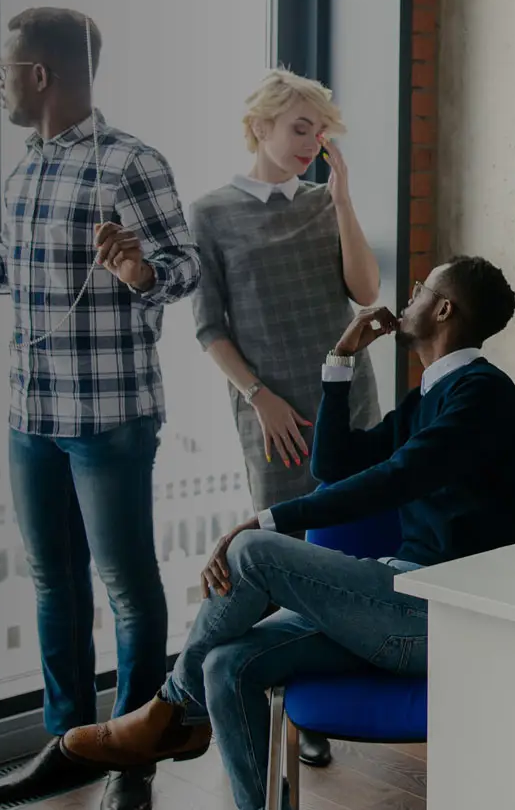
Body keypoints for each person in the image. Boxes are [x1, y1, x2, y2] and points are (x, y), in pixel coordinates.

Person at [0, 8, 201, 810]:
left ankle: (133, 757)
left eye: (3, 67)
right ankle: (67, 747)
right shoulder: (26, 172)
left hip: (112, 418)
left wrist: (142, 272)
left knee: (126, 587)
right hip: (33, 417)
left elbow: (186, 266)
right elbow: (12, 269)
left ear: (41, 74)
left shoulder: (132, 163)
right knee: (54, 583)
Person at [56, 257, 515, 810]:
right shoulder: (428, 398)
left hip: (449, 618)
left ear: (444, 309)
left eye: (423, 288)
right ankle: (217, 762)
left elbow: (399, 477)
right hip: (397, 599)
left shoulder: (483, 395)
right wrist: (340, 359)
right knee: (225, 666)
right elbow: (334, 463)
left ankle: (168, 710)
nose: (412, 294)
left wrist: (265, 520)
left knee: (255, 550)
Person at [187, 68, 380, 771]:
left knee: (348, 550)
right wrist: (257, 396)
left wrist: (343, 198)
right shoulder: (209, 214)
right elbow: (208, 326)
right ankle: (294, 707)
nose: (310, 142)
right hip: (272, 415)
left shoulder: (322, 203)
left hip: (348, 401)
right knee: (289, 557)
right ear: (260, 127)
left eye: (319, 131)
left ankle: (335, 686)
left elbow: (364, 290)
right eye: (299, 127)